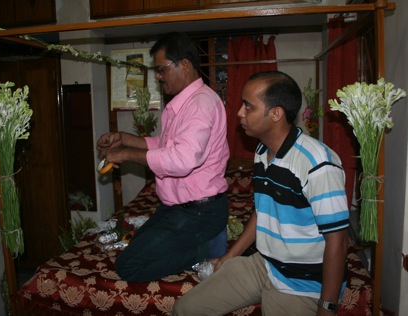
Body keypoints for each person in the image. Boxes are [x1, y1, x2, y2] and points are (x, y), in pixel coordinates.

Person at [172, 71, 350, 316]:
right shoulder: (262, 151)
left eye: (248, 106)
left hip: (303, 282)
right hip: (264, 264)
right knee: (185, 309)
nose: (239, 113)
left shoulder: (317, 164)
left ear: (276, 114)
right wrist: (229, 257)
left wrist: (327, 307)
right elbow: (262, 211)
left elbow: (338, 240)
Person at [97, 32, 230, 282]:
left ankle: (206, 249)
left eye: (161, 69)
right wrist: (124, 138)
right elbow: (164, 144)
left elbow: (182, 159)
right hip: (177, 208)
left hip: (198, 213)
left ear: (185, 65)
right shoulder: (184, 103)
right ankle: (201, 243)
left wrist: (126, 154)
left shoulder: (200, 104)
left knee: (128, 266)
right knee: (140, 245)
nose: (158, 76)